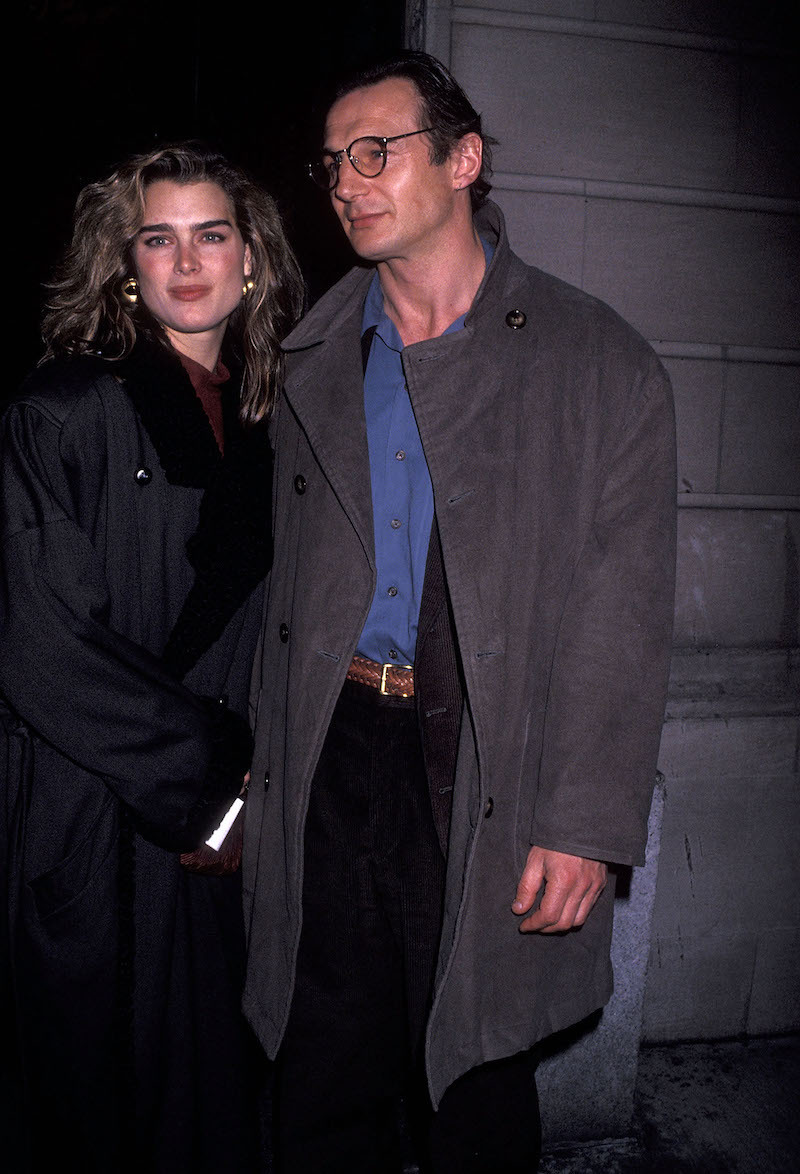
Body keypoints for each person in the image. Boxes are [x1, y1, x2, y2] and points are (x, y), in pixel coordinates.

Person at [243, 51, 676, 1173]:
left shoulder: (599, 364)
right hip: (335, 748)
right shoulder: (314, 360)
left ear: (463, 159)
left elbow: (618, 614)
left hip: (488, 755)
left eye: (376, 151)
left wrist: (582, 821)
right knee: (324, 1055)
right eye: (333, 162)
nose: (346, 181)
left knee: (476, 1072)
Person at [0, 143, 303, 1172]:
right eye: (158, 238)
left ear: (251, 259)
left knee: (209, 1077)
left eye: (211, 234)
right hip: (91, 804)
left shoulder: (279, 423)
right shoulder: (67, 410)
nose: (186, 262)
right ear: (124, 263)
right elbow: (38, 637)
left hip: (222, 814)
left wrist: (256, 787)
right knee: (91, 1086)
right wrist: (210, 781)